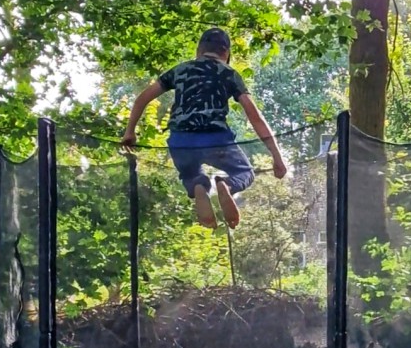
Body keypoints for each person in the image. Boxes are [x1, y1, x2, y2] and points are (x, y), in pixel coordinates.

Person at [121, 28, 287, 229]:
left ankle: (199, 186)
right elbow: (255, 116)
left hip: (181, 141)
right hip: (216, 139)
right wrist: (277, 157)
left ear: (199, 50)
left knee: (191, 175)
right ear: (226, 54)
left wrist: (130, 131)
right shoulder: (229, 74)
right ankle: (227, 184)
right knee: (244, 172)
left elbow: (143, 98)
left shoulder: (180, 70)